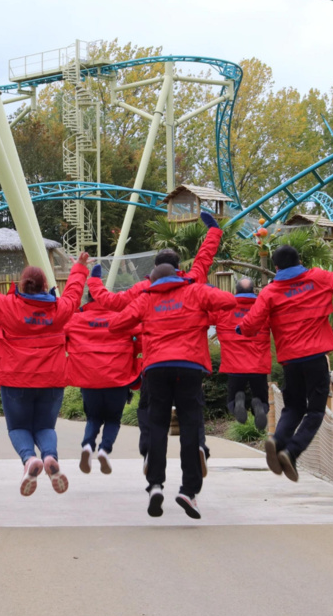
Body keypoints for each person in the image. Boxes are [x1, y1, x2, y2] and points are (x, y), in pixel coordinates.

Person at [87, 212, 223, 469]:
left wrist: (94, 281)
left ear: (154, 269)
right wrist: (213, 231)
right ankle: (198, 447)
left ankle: (150, 450)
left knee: (149, 408)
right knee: (191, 410)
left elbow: (111, 303)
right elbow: (205, 259)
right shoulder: (192, 281)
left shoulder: (145, 290)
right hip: (191, 358)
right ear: (177, 266)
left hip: (156, 359)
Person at [0, 251, 90, 497]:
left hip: (15, 380)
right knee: (45, 427)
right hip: (51, 380)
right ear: (45, 285)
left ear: (20, 284)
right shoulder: (59, 310)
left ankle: (29, 461)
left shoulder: (7, 307)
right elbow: (73, 293)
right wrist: (79, 267)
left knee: (18, 428)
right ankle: (49, 457)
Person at [110, 263, 236, 520]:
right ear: (177, 275)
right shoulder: (195, 292)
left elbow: (116, 325)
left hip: (156, 368)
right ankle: (188, 491)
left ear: (152, 281)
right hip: (189, 367)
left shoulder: (146, 298)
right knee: (190, 426)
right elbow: (229, 301)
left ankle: (155, 485)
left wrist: (145, 325)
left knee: (157, 426)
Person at [238, 245, 333, 481]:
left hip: (291, 361)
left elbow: (251, 324)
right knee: (315, 411)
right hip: (316, 357)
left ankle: (277, 441)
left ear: (276, 267)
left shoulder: (270, 291)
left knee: (294, 407)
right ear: (299, 260)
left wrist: (240, 328)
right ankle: (292, 452)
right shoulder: (317, 277)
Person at [65, 290, 141, 474]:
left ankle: (87, 447)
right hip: (118, 377)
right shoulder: (121, 317)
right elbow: (140, 337)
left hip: (89, 378)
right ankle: (104, 450)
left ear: (88, 299)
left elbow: (61, 335)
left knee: (93, 418)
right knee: (113, 419)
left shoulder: (76, 319)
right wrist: (133, 355)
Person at [209, 277, 272, 431]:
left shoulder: (223, 308)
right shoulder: (263, 307)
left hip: (234, 365)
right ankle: (259, 404)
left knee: (231, 401)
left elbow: (204, 317)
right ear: (254, 291)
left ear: (235, 291)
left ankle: (238, 399)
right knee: (263, 400)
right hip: (258, 365)